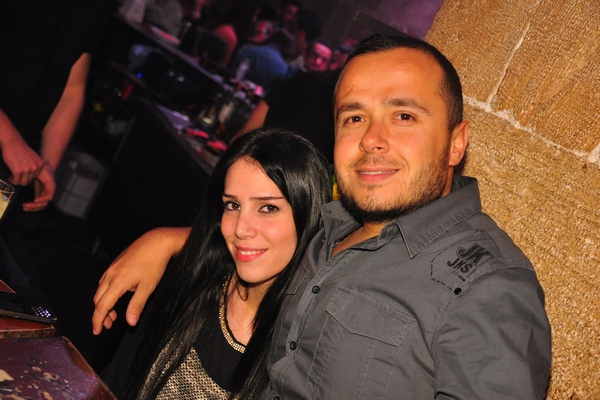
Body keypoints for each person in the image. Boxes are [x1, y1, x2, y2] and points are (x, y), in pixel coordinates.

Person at [93, 35, 552, 398]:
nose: (371, 138)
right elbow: (258, 238)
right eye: (354, 118)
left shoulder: (489, 287)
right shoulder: (327, 230)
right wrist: (168, 239)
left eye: (403, 116)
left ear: (456, 143)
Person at [101, 128, 331, 399]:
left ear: (308, 216)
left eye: (268, 208)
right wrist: (160, 239)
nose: (241, 229)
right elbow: (114, 385)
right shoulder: (184, 284)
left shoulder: (307, 351)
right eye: (232, 205)